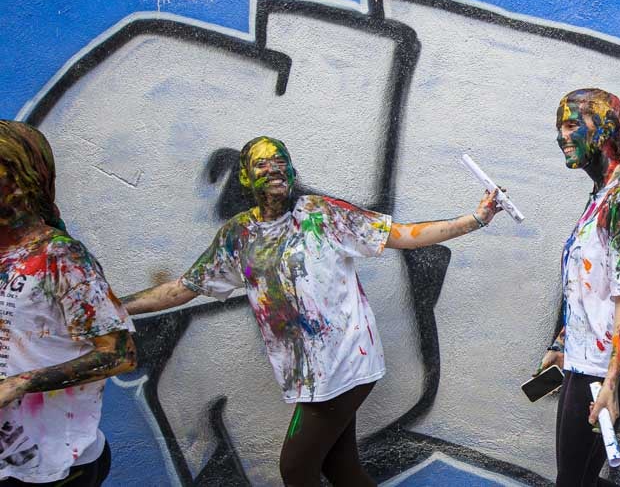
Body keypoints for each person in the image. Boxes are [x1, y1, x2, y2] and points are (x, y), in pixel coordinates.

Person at [120, 136, 502, 487]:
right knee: (341, 468)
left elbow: (401, 236)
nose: (274, 170)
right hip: (307, 377)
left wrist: (475, 219)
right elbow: (183, 288)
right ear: (246, 178)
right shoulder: (239, 236)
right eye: (262, 165)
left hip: (347, 365)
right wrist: (116, 307)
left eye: (280, 162)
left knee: (296, 468)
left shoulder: (322, 215)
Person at [538, 89, 620, 487]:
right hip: (586, 358)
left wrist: (611, 384)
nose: (561, 136)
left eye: (571, 124)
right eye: (559, 126)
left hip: (603, 368)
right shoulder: (603, 193)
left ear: (605, 128)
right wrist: (561, 343)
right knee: (581, 477)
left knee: (572, 480)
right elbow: (586, 284)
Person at [0, 121, 136, 487]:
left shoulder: (60, 256)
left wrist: (20, 383)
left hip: (55, 462)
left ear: (20, 180)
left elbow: (120, 353)